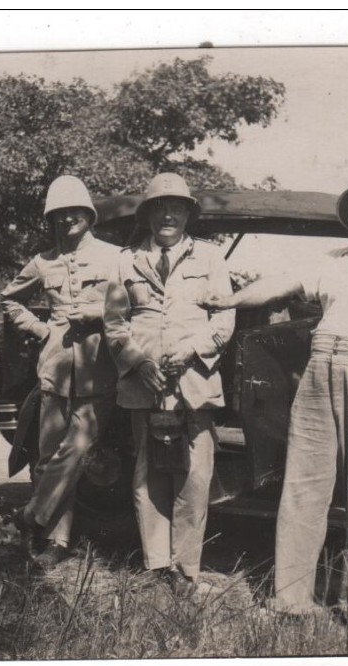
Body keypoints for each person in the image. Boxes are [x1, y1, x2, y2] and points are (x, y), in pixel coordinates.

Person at [201, 183, 348, 636]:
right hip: (320, 368)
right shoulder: (331, 261)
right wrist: (230, 298)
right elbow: (277, 286)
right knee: (302, 486)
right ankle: (291, 598)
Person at [103, 173, 235, 597]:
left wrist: (194, 350)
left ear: (188, 214)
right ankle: (156, 563)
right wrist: (136, 362)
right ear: (148, 214)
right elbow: (115, 323)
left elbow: (224, 318)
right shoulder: (126, 261)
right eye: (159, 207)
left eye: (176, 207)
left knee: (195, 476)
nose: (168, 214)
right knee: (147, 472)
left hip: (194, 381)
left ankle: (186, 568)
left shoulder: (211, 259)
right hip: (146, 383)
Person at [0, 175, 119, 572]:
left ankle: (31, 514)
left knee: (80, 448)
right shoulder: (42, 262)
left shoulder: (116, 257)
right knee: (48, 455)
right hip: (54, 368)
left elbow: (138, 304)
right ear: (52, 220)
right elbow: (9, 299)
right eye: (59, 214)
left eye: (75, 212)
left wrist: (100, 314)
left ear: (89, 215)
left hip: (99, 368)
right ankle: (56, 539)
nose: (68, 219)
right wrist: (42, 329)